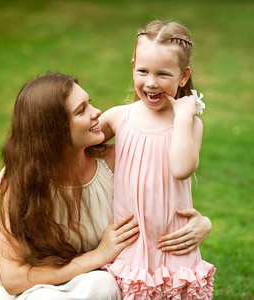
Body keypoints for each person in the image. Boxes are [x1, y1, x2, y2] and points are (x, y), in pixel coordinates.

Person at [0, 72, 212, 300]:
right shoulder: (21, 184)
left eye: (89, 103)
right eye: (81, 110)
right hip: (36, 293)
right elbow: (13, 280)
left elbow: (163, 204)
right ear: (53, 131)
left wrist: (203, 224)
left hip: (95, 289)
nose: (97, 113)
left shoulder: (119, 162)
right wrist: (98, 256)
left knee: (102, 285)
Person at [100, 20, 216, 299]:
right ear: (132, 67)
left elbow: (181, 168)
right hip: (132, 242)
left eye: (163, 74)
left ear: (183, 76)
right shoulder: (119, 117)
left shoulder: (188, 125)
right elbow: (71, 145)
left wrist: (184, 116)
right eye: (143, 71)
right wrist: (24, 165)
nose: (151, 83)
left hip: (173, 242)